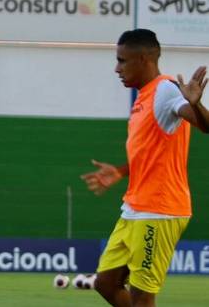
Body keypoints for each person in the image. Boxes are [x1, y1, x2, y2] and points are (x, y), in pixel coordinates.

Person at [80, 29, 209, 307]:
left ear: (143, 59)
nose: (117, 68)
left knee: (142, 296)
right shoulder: (143, 96)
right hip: (135, 208)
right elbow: (151, 153)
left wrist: (196, 105)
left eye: (122, 61)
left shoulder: (165, 89)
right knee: (106, 283)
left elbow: (205, 125)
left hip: (159, 210)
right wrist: (121, 171)